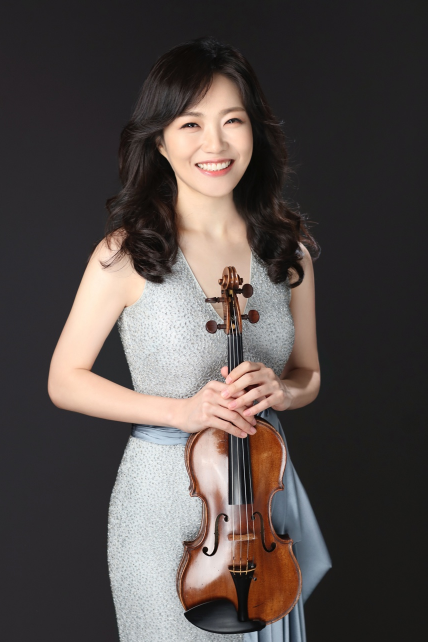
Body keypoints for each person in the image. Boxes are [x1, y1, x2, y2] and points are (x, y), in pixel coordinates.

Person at [48, 36, 331, 642]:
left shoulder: (289, 252)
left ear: (255, 130)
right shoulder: (126, 254)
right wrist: (181, 412)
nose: (215, 144)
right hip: (162, 508)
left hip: (259, 509)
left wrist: (283, 391)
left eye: (233, 121)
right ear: (160, 140)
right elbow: (64, 380)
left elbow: (308, 374)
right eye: (191, 124)